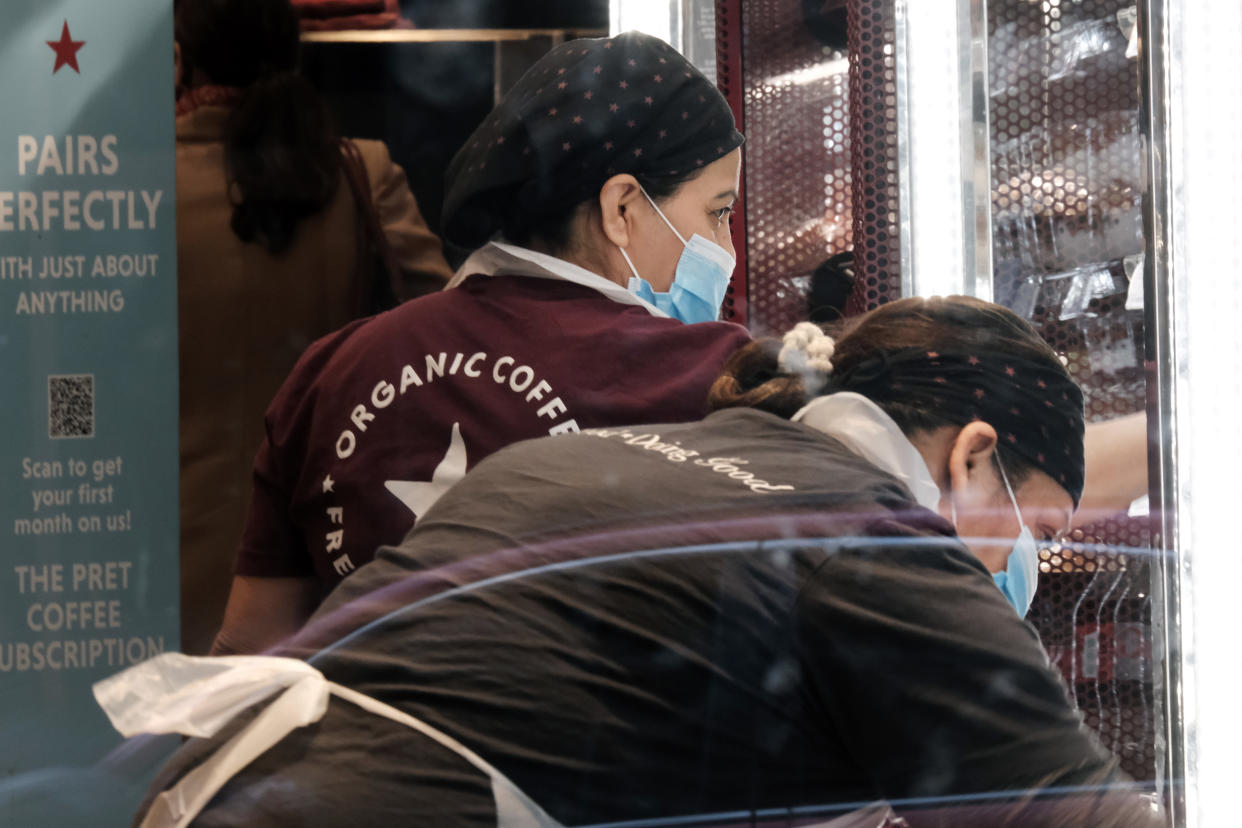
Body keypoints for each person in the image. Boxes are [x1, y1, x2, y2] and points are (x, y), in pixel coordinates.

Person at [109, 296, 1161, 826]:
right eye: (1038, 527)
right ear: (974, 455)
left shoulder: (623, 455)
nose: (1028, 565)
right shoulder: (882, 542)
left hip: (217, 791)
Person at [208, 31, 753, 656]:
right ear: (622, 208)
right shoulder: (717, 377)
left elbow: (249, 652)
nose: (728, 251)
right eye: (718, 212)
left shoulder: (331, 371)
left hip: (366, 747)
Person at [174, 0, 454, 655]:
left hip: (158, 539)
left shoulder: (124, 188)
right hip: (320, 545)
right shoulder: (359, 171)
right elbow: (447, 327)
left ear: (178, 63)